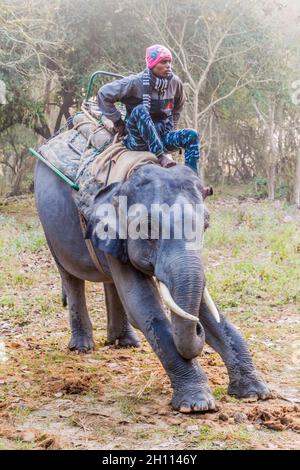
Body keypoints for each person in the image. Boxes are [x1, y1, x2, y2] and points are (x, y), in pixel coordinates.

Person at [97, 44, 200, 173]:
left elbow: (178, 106)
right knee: (141, 110)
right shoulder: (134, 82)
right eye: (163, 62)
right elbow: (103, 94)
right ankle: (160, 156)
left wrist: (172, 126)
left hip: (163, 136)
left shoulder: (175, 83)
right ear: (152, 64)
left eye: (169, 61)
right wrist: (118, 122)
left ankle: (192, 180)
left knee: (192, 135)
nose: (168, 65)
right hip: (138, 140)